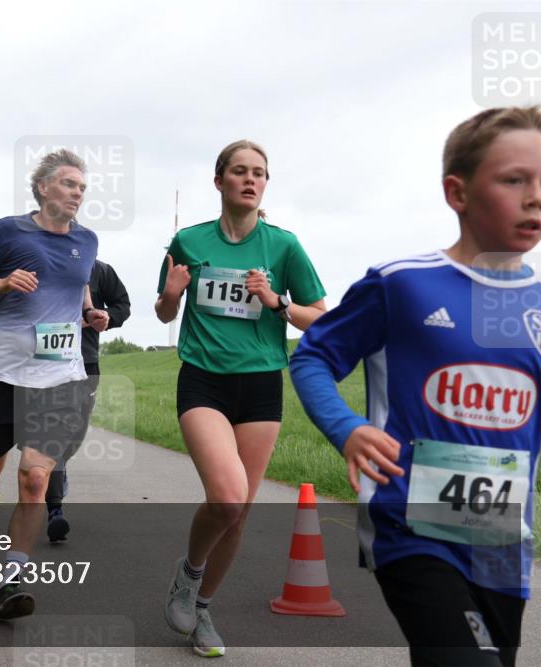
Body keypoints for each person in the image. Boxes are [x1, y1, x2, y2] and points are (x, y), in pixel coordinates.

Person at [290, 106, 541, 667]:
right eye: (514, 179)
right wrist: (346, 427)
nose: (534, 196)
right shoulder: (403, 283)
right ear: (458, 192)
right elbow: (312, 358)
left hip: (503, 540)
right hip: (412, 524)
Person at [156, 140, 327, 657]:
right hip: (204, 380)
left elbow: (320, 316)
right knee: (227, 495)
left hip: (260, 385)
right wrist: (170, 293)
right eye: (240, 172)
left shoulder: (284, 246)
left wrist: (276, 301)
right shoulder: (188, 240)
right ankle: (188, 577)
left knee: (240, 511)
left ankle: (202, 609)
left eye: (259, 174)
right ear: (220, 181)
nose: (250, 180)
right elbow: (165, 313)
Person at [0, 149, 109, 620]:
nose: (78, 193)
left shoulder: (88, 241)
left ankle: (11, 580)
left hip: (60, 376)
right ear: (42, 188)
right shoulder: (6, 231)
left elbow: (77, 285)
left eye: (82, 187)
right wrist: (0, 285)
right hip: (0, 374)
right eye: (68, 184)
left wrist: (89, 314)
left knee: (35, 478)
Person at [45, 258, 131, 542]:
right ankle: (55, 509)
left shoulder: (100, 270)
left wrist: (107, 317)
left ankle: (57, 471)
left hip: (87, 363)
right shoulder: (37, 262)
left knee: (73, 438)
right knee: (54, 438)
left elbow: (123, 306)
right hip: (47, 363)